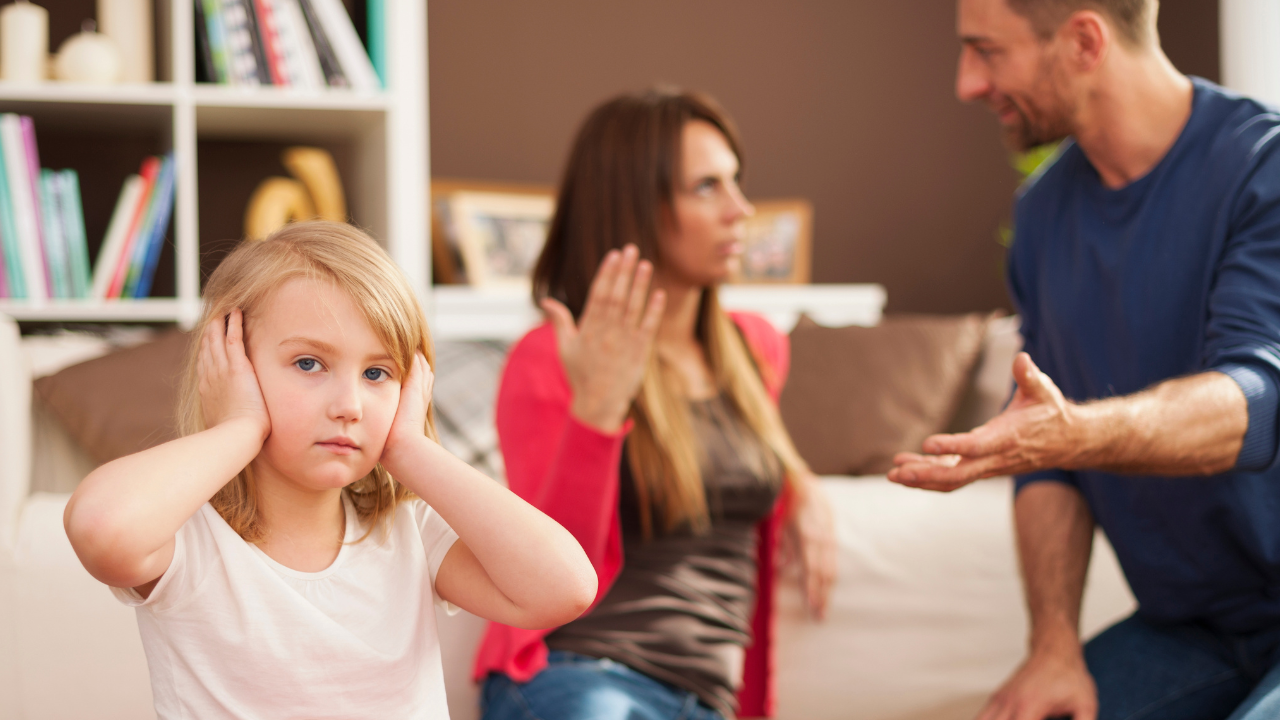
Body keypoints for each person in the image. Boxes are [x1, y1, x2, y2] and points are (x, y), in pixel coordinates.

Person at [887, 1, 1280, 719]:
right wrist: (1053, 645)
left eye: (987, 51)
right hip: (1193, 632)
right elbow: (1051, 453)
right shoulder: (1042, 215)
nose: (967, 83)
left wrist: (1078, 433)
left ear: (1084, 41)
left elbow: (1254, 404)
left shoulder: (1264, 168)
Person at [62, 221, 597, 719]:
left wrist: (410, 449)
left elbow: (565, 589)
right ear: (232, 365)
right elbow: (102, 528)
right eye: (309, 364)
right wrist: (239, 427)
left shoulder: (409, 532)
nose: (350, 404)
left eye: (376, 372)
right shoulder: (189, 541)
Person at [474, 89, 838, 720]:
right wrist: (599, 406)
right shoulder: (546, 360)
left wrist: (804, 486)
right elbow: (546, 571)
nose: (740, 210)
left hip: (703, 700)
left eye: (736, 181)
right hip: (577, 677)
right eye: (706, 187)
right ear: (634, 208)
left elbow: (742, 461)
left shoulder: (756, 349)